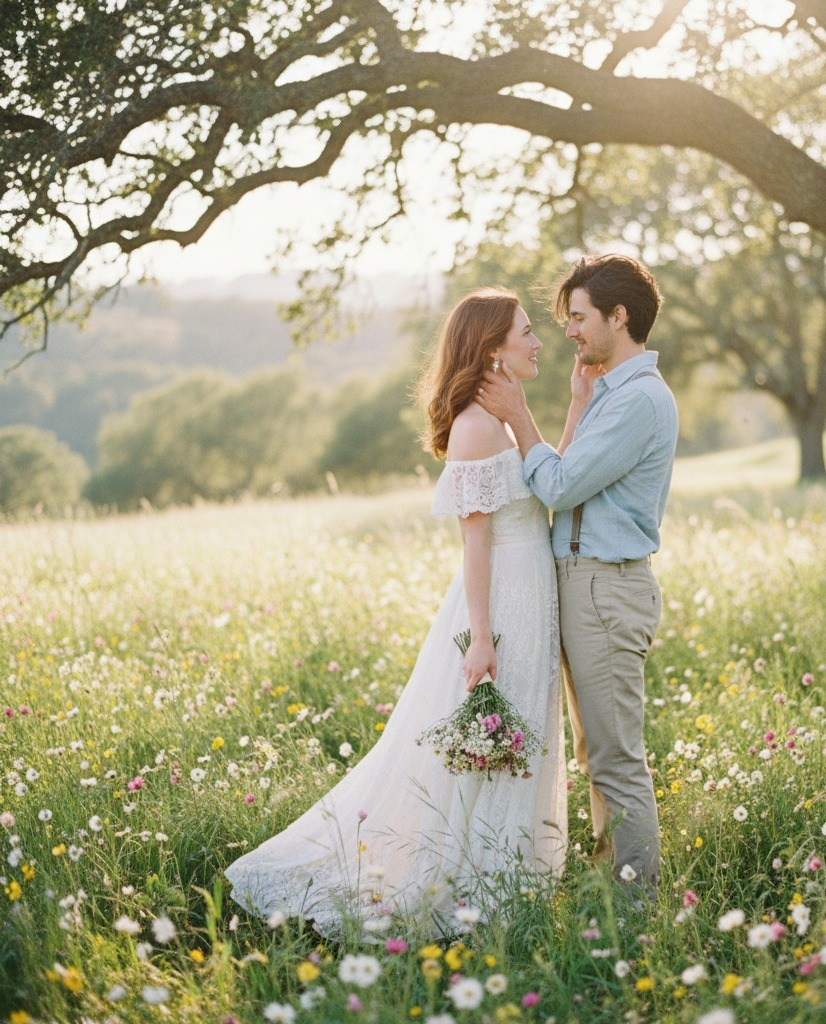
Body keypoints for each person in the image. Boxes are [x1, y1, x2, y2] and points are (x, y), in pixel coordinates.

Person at [225, 288, 567, 937]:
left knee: (513, 745)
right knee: (483, 747)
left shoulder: (503, 418)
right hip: (502, 606)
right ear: (492, 347)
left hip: (531, 596)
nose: (538, 341)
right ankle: (466, 887)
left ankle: (506, 881)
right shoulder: (474, 425)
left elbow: (546, 485)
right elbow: (476, 541)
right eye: (526, 331)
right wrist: (483, 637)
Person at [477, 254, 677, 891]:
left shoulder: (639, 401)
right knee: (595, 757)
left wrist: (518, 415)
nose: (568, 331)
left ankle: (636, 907)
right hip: (585, 585)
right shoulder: (608, 393)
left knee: (616, 761)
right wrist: (570, 408)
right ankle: (606, 886)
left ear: (619, 318)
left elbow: (559, 487)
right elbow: (567, 477)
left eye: (580, 317)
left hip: (606, 587)